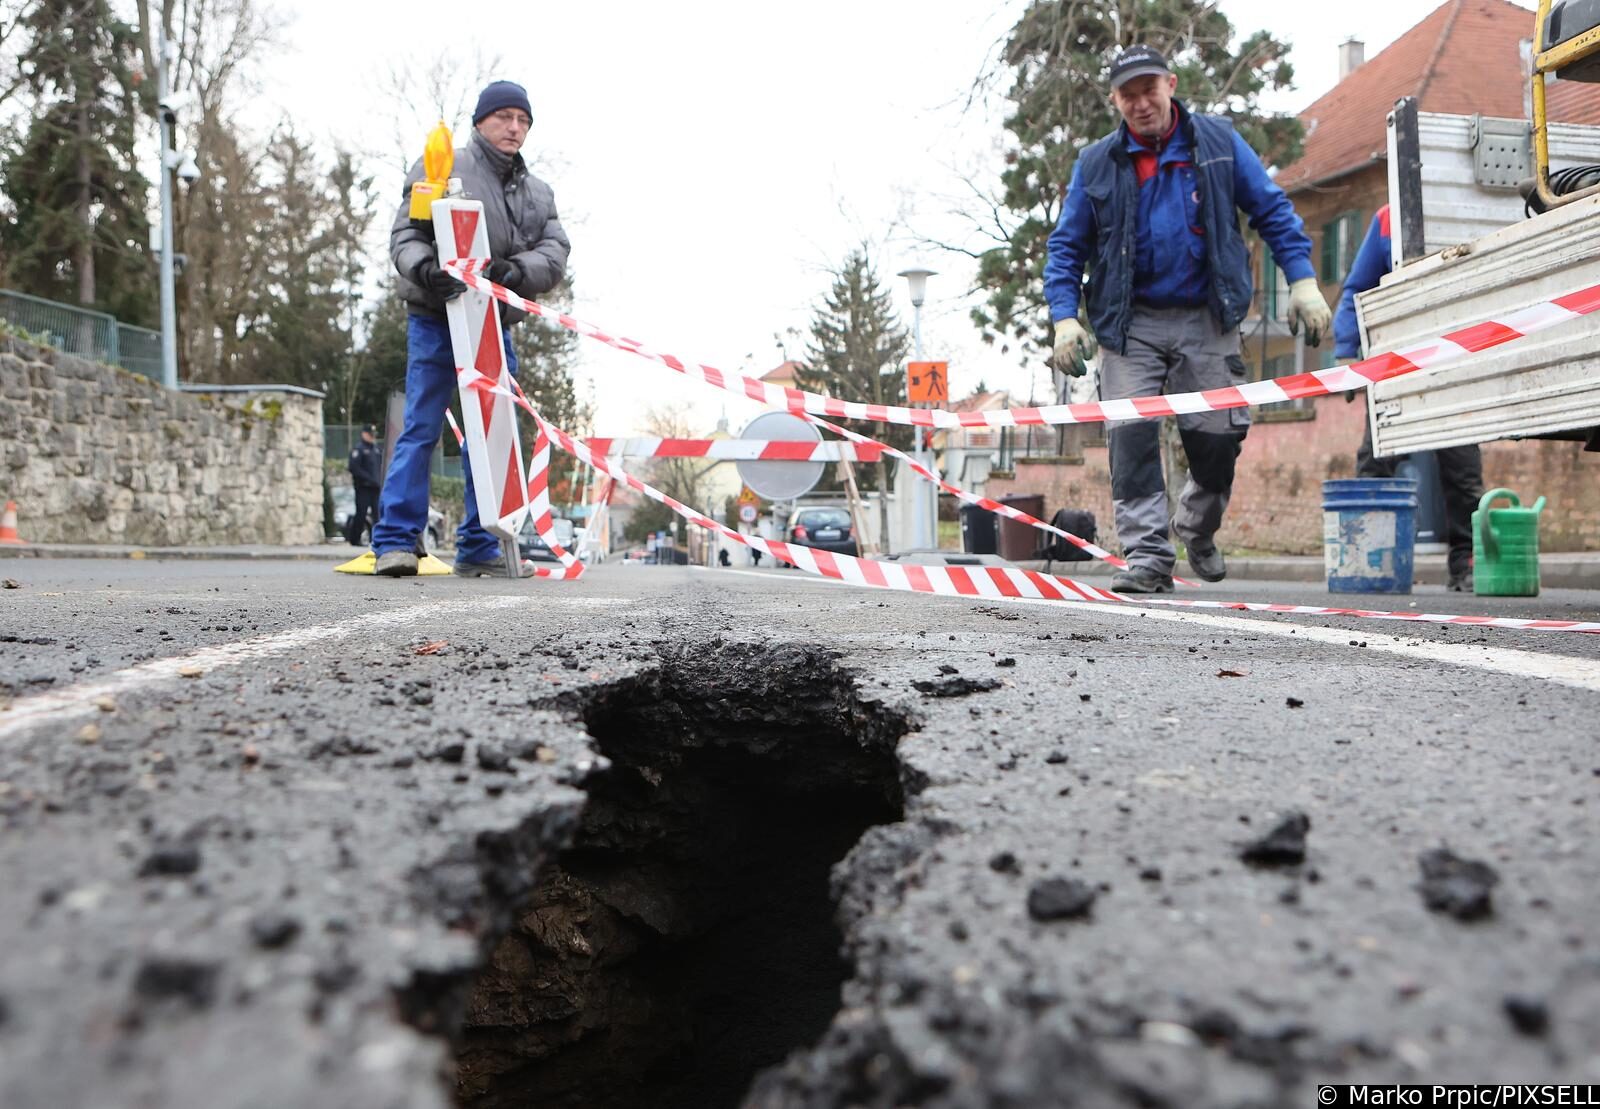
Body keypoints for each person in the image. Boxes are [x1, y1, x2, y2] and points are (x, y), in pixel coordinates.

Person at [1044, 44, 1331, 594]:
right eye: (1128, 95)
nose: (1141, 103)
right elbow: (1065, 249)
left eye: (1149, 89)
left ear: (1171, 85)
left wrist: (1301, 281)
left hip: (1208, 315)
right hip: (1130, 324)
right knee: (1129, 437)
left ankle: (1196, 527)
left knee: (1218, 439)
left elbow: (1271, 209)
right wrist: (1063, 317)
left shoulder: (1218, 143)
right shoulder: (1096, 163)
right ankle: (1148, 558)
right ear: (1115, 100)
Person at [372, 79, 571, 578]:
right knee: (420, 427)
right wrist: (425, 270)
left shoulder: (537, 192)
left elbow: (555, 251)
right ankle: (396, 542)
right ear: (481, 120)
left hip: (495, 324)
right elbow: (407, 234)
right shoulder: (442, 165)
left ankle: (481, 546)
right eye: (505, 116)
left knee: (494, 435)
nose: (515, 127)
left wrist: (515, 272)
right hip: (436, 318)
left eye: (523, 120)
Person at [1335, 205, 1483, 591]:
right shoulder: (1388, 217)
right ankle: (1370, 563)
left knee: (1462, 473)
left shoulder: (1470, 209)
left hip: (1454, 362)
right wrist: (1348, 350)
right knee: (1376, 462)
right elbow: (1358, 286)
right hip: (1395, 362)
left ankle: (1465, 566)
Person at [344, 424, 383, 546]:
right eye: (370, 435)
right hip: (363, 487)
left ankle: (376, 540)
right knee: (361, 514)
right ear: (364, 434)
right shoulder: (358, 449)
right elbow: (354, 468)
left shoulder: (376, 450)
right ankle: (355, 539)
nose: (372, 438)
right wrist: (369, 479)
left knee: (378, 515)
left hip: (376, 488)